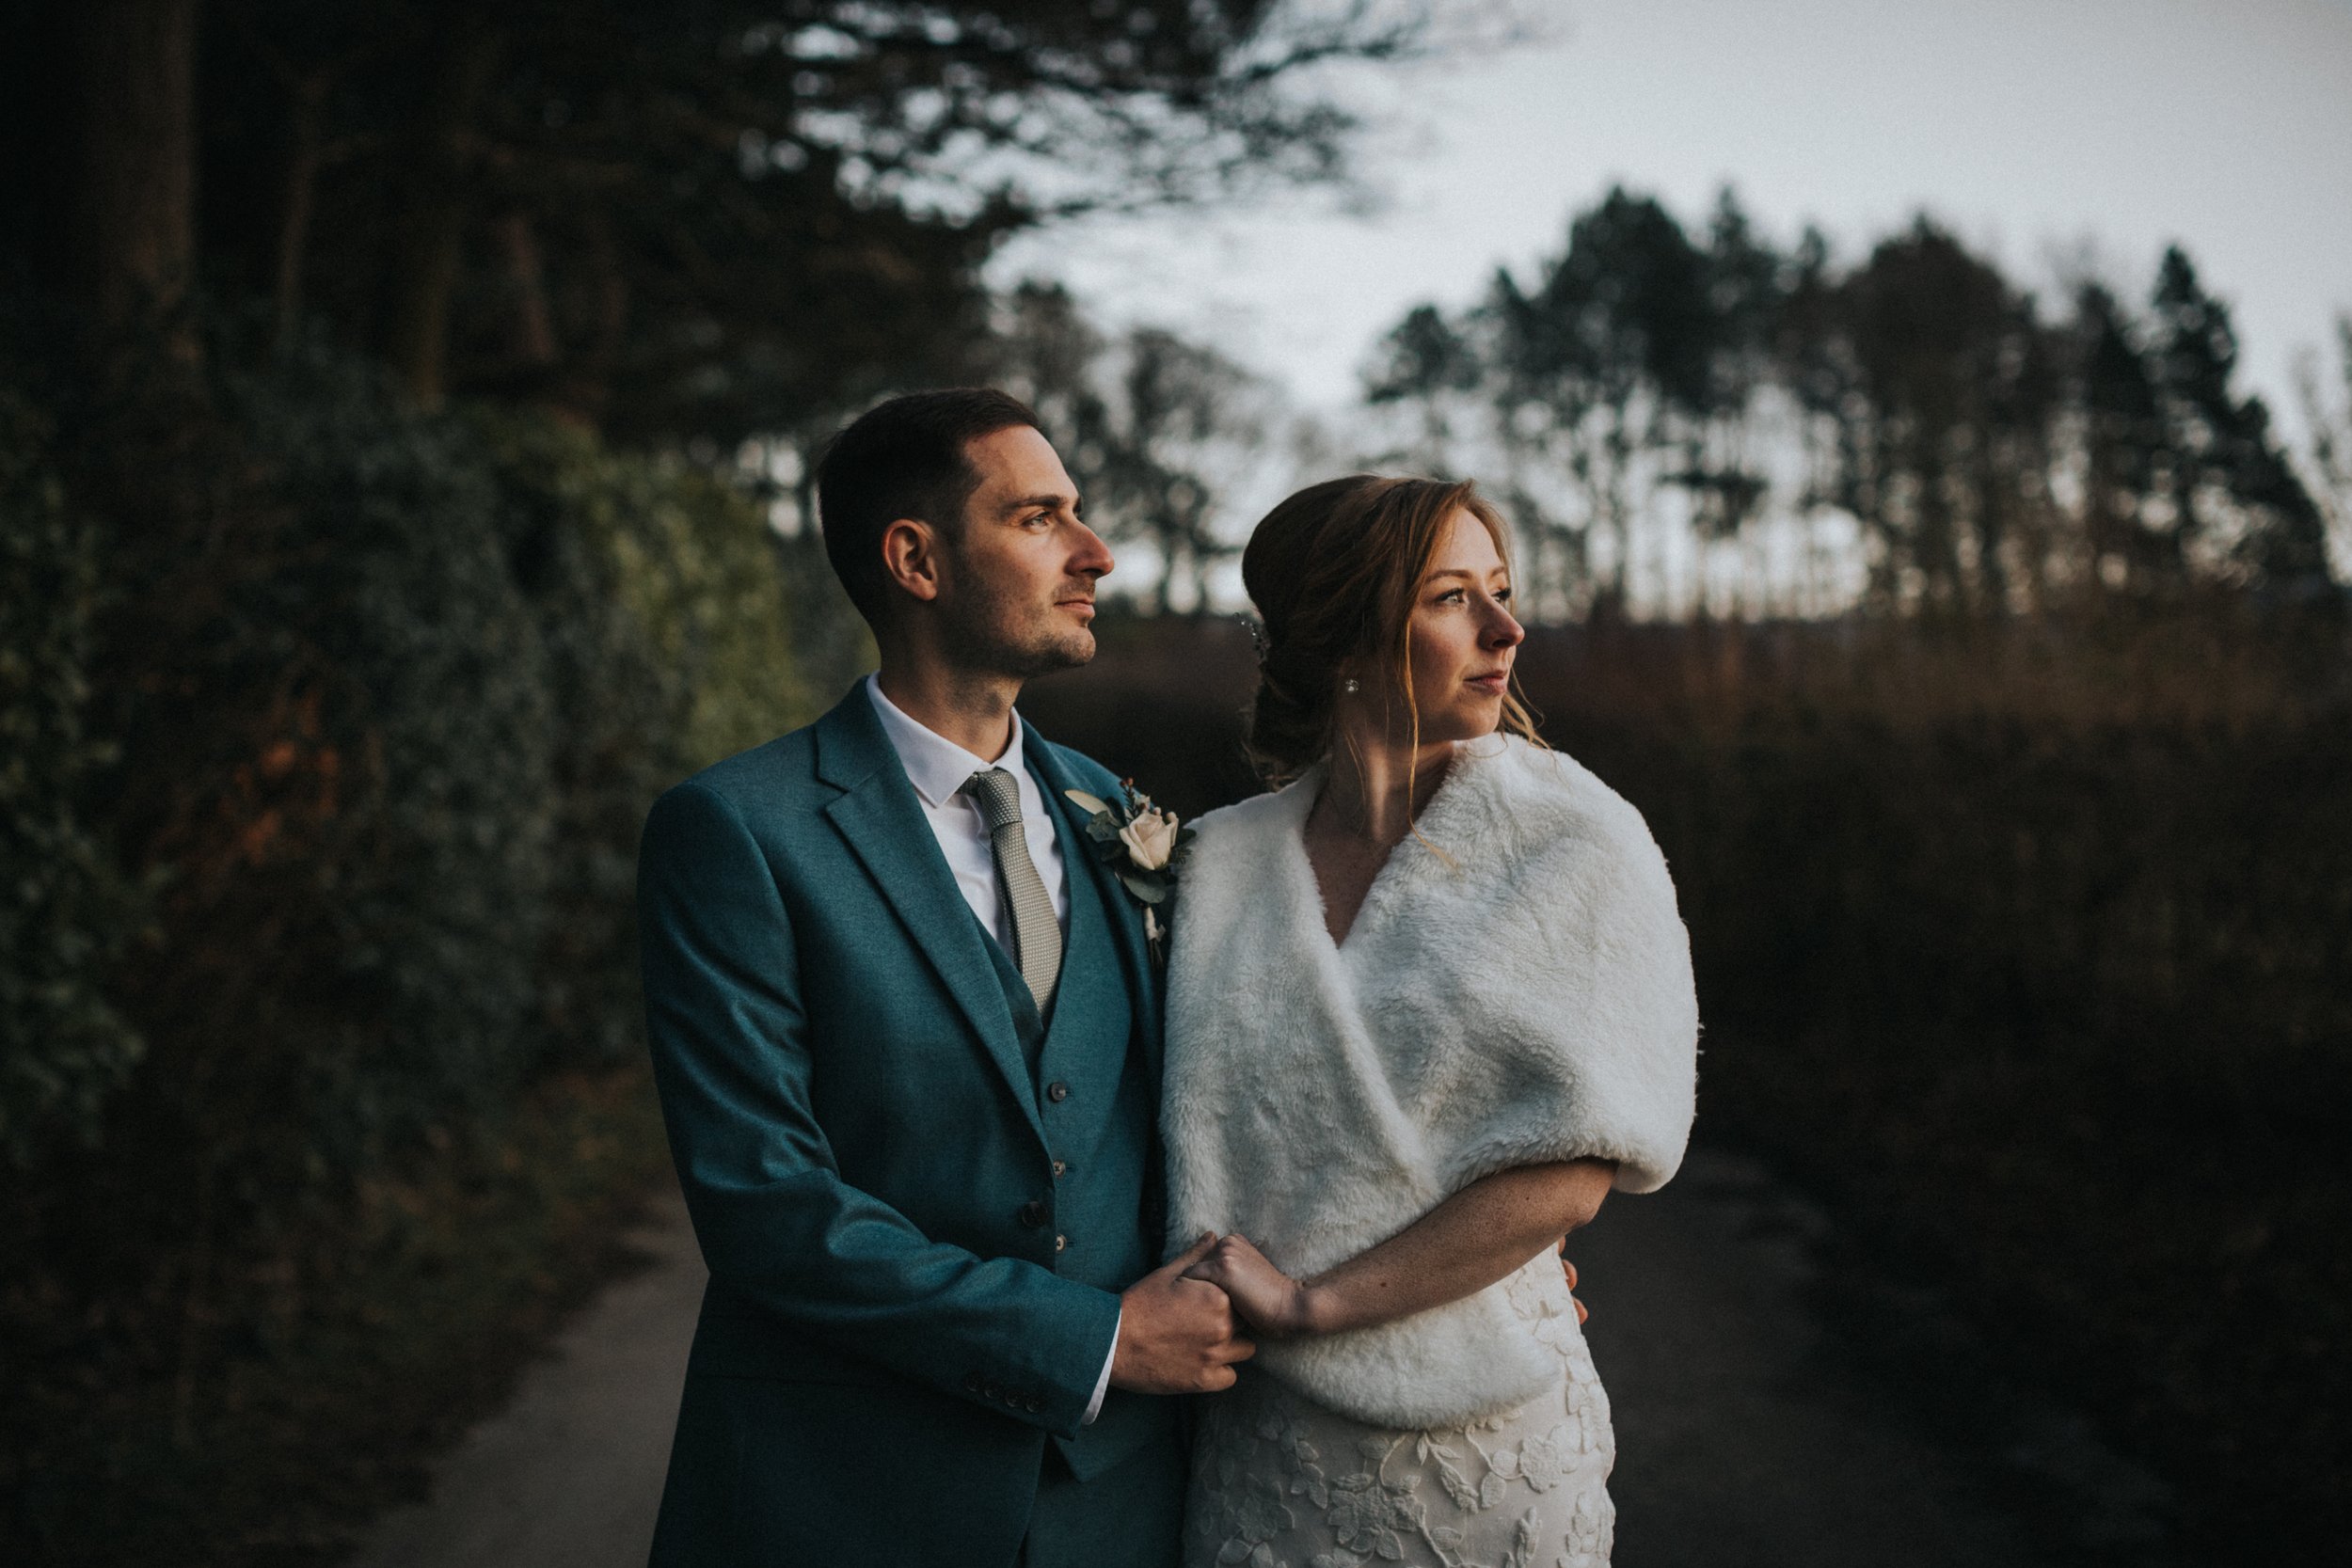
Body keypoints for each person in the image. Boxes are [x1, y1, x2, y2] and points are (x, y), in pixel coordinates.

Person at [634, 388, 1253, 1567]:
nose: (1096, 552)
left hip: (1116, 1503)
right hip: (846, 1490)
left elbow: (1221, 1095)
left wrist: (1436, 1287)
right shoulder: (735, 829)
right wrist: (1096, 1340)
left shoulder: (1112, 811)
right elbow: (765, 1204)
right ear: (915, 559)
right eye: (1039, 518)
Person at [1162, 475, 1699, 1568]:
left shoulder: (1577, 841)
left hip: (1481, 1449)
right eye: (1453, 597)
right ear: (1344, 635)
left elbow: (1576, 1161)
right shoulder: (1219, 861)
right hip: (1260, 1437)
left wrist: (1313, 1302)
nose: (1506, 628)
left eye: (1499, 592)